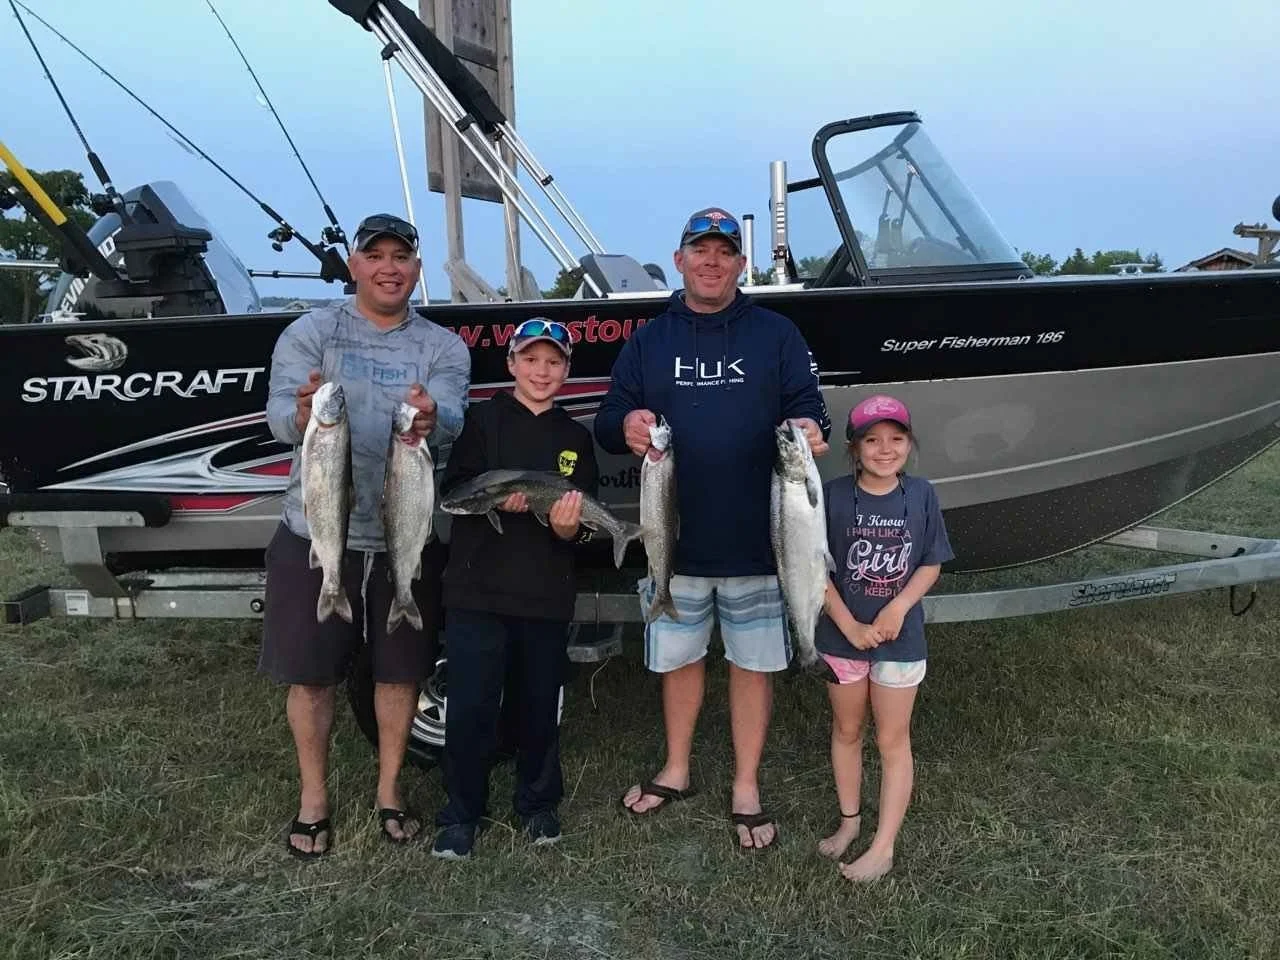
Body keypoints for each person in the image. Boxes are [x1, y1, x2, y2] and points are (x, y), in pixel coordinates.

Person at [593, 206, 831, 850]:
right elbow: (608, 419)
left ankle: (746, 784)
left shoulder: (777, 334)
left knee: (753, 666)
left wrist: (811, 430)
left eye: (725, 251)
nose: (712, 260)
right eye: (700, 249)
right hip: (674, 541)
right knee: (681, 660)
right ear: (679, 260)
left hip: (764, 540)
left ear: (739, 264)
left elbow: (810, 409)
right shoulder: (649, 340)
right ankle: (677, 768)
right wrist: (627, 426)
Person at [260, 213, 472, 858]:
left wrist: (432, 419)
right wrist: (300, 413)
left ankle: (389, 789)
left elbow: (453, 419)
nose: (389, 268)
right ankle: (314, 796)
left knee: (400, 672)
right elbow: (275, 421)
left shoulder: (443, 347)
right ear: (354, 265)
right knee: (312, 675)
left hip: (404, 537)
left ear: (416, 267)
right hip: (315, 531)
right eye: (374, 255)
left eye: (401, 257)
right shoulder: (310, 332)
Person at [430, 317, 600, 860]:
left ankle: (537, 805)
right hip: (475, 594)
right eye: (530, 360)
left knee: (537, 709)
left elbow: (579, 527)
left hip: (545, 595)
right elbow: (454, 490)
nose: (541, 371)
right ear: (510, 365)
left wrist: (568, 527)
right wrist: (498, 501)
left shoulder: (576, 437)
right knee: (471, 710)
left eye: (553, 362)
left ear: (568, 371)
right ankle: (461, 813)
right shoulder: (482, 421)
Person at [813, 394, 953, 881]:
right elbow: (815, 567)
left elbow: (931, 561)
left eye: (896, 439)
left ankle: (884, 845)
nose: (884, 449)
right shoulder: (830, 496)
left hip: (900, 640)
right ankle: (850, 821)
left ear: (910, 444)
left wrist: (897, 606)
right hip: (841, 638)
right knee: (847, 730)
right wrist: (849, 624)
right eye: (872, 440)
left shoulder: (922, 494)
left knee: (893, 739)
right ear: (854, 449)